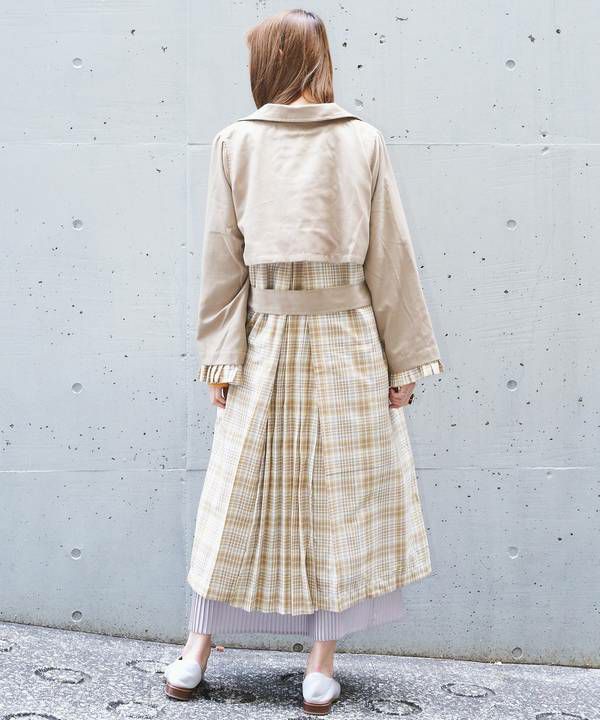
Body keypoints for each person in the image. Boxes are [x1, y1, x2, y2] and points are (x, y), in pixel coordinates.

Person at [164, 8, 445, 714]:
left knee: (252, 497)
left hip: (283, 337)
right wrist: (404, 361)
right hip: (331, 337)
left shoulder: (245, 141)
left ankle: (210, 655)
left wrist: (220, 356)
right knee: (318, 500)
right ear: (319, 60)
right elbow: (388, 256)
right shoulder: (351, 140)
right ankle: (304, 666)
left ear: (267, 61)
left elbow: (225, 258)